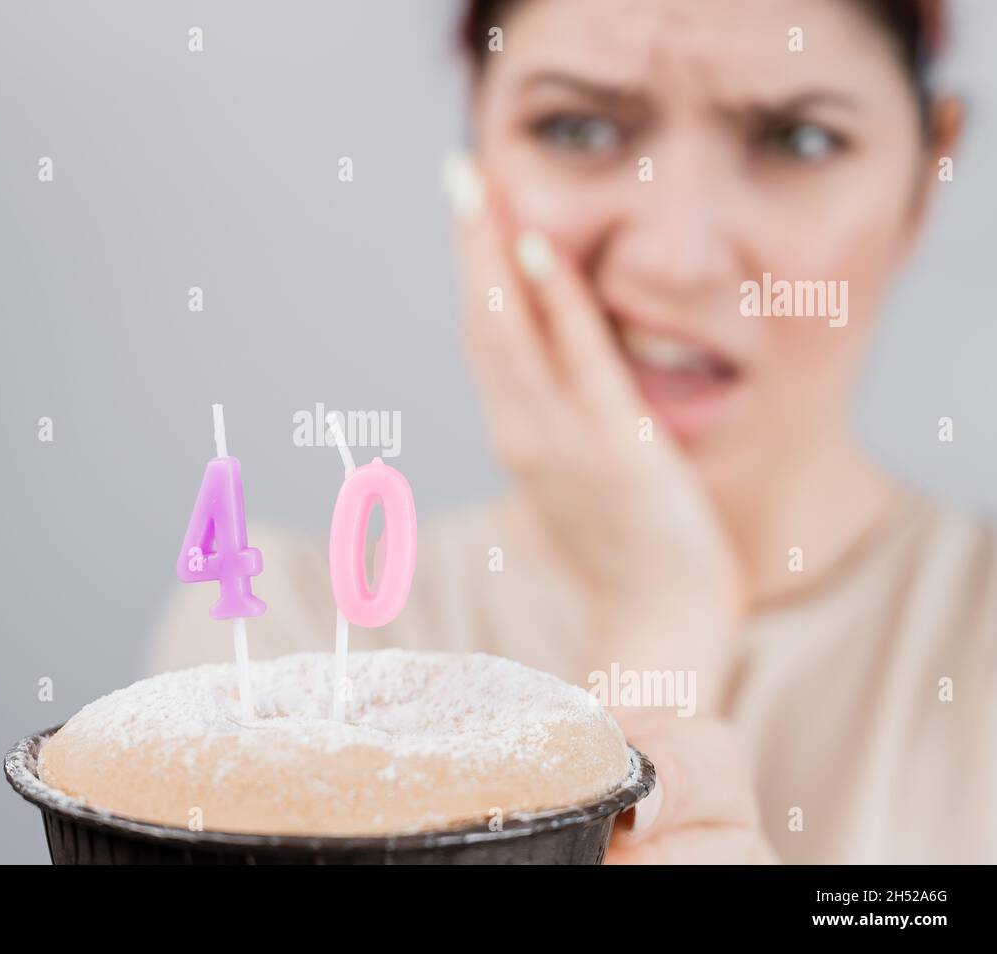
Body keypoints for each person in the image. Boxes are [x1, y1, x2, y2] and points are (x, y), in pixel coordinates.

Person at [154, 0, 994, 863]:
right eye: (578, 127)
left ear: (926, 177)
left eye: (799, 140)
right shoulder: (284, 647)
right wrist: (660, 605)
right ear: (472, 158)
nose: (677, 258)